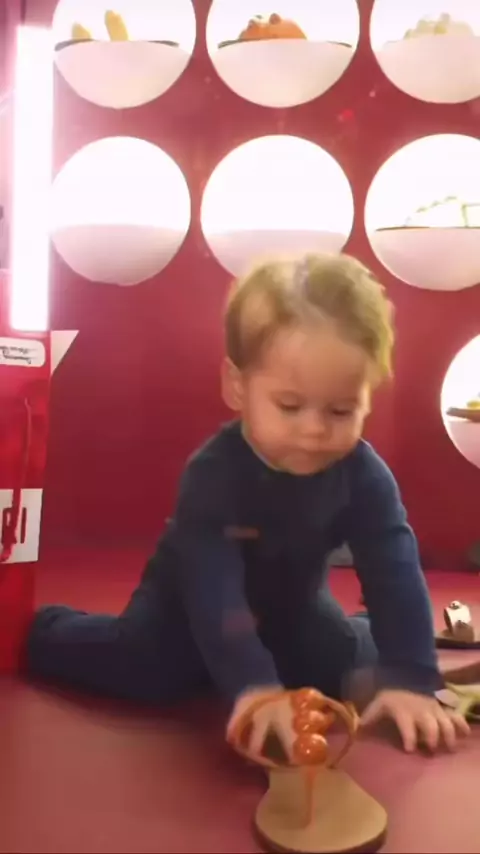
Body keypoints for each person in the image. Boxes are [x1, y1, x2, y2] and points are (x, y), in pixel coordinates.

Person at [26, 253, 469, 756]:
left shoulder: (364, 477)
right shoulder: (214, 475)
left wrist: (410, 675)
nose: (314, 429)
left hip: (293, 611)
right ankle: (35, 628)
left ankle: (362, 641)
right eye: (289, 406)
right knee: (149, 670)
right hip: (183, 611)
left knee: (335, 663)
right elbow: (214, 594)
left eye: (341, 410)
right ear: (237, 386)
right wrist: (254, 687)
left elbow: (394, 569)